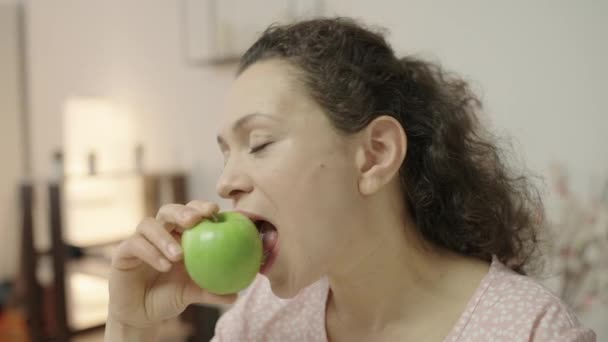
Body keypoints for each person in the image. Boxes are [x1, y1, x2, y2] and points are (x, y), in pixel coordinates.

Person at [104, 18, 596, 341]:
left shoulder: (529, 330)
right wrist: (131, 324)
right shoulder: (258, 320)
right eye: (225, 153)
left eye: (258, 142)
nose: (227, 183)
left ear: (374, 155)